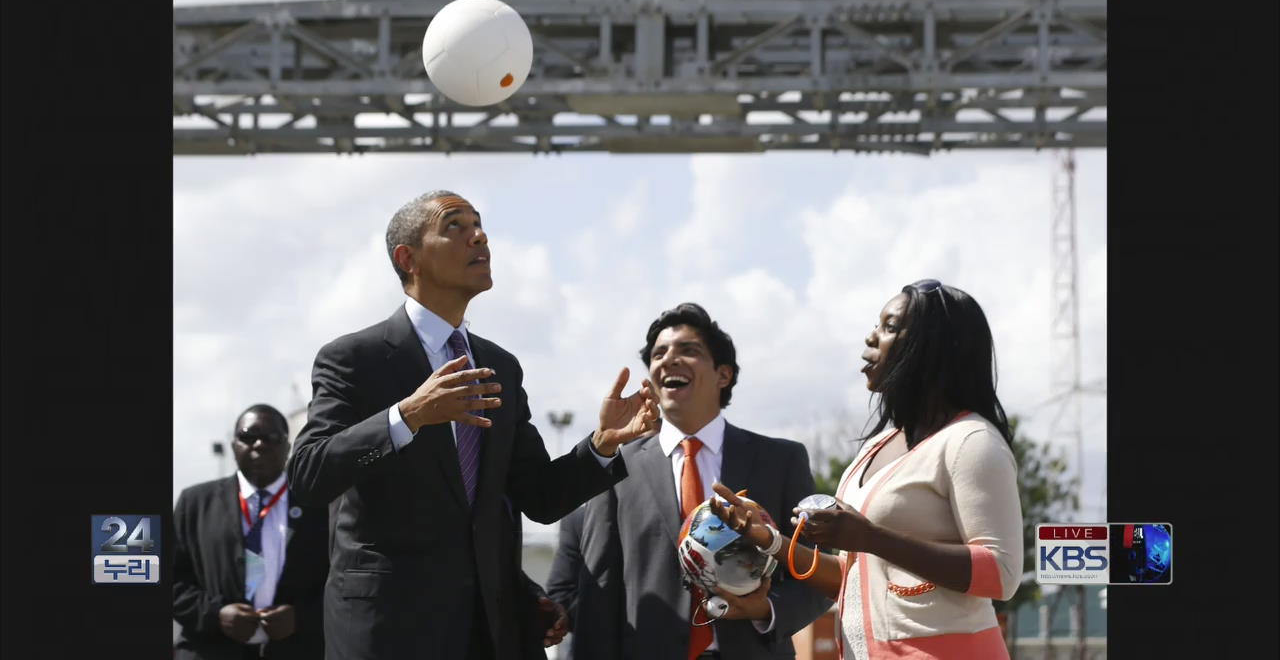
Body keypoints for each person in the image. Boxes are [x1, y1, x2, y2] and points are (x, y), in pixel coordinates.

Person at [287, 190, 658, 660]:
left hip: (487, 629)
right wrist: (408, 416)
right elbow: (308, 475)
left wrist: (603, 444)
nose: (479, 236)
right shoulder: (354, 360)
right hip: (389, 631)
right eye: (454, 226)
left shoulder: (500, 365)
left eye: (479, 224)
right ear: (409, 258)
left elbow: (539, 497)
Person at [711, 280, 1023, 660]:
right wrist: (770, 540)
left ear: (932, 348)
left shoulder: (971, 441)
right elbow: (853, 577)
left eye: (889, 328)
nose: (871, 338)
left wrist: (872, 538)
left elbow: (1001, 573)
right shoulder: (878, 445)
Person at [546, 302, 832, 659]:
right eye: (658, 354)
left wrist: (764, 610)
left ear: (723, 375)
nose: (669, 360)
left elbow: (819, 574)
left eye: (688, 350)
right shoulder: (617, 467)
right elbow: (599, 591)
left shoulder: (781, 460)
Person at [173, 404, 329, 660]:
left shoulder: (319, 506)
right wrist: (215, 615)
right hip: (211, 651)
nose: (259, 444)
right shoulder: (194, 503)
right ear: (234, 445)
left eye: (271, 437)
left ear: (287, 447)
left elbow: (340, 579)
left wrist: (302, 617)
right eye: (248, 437)